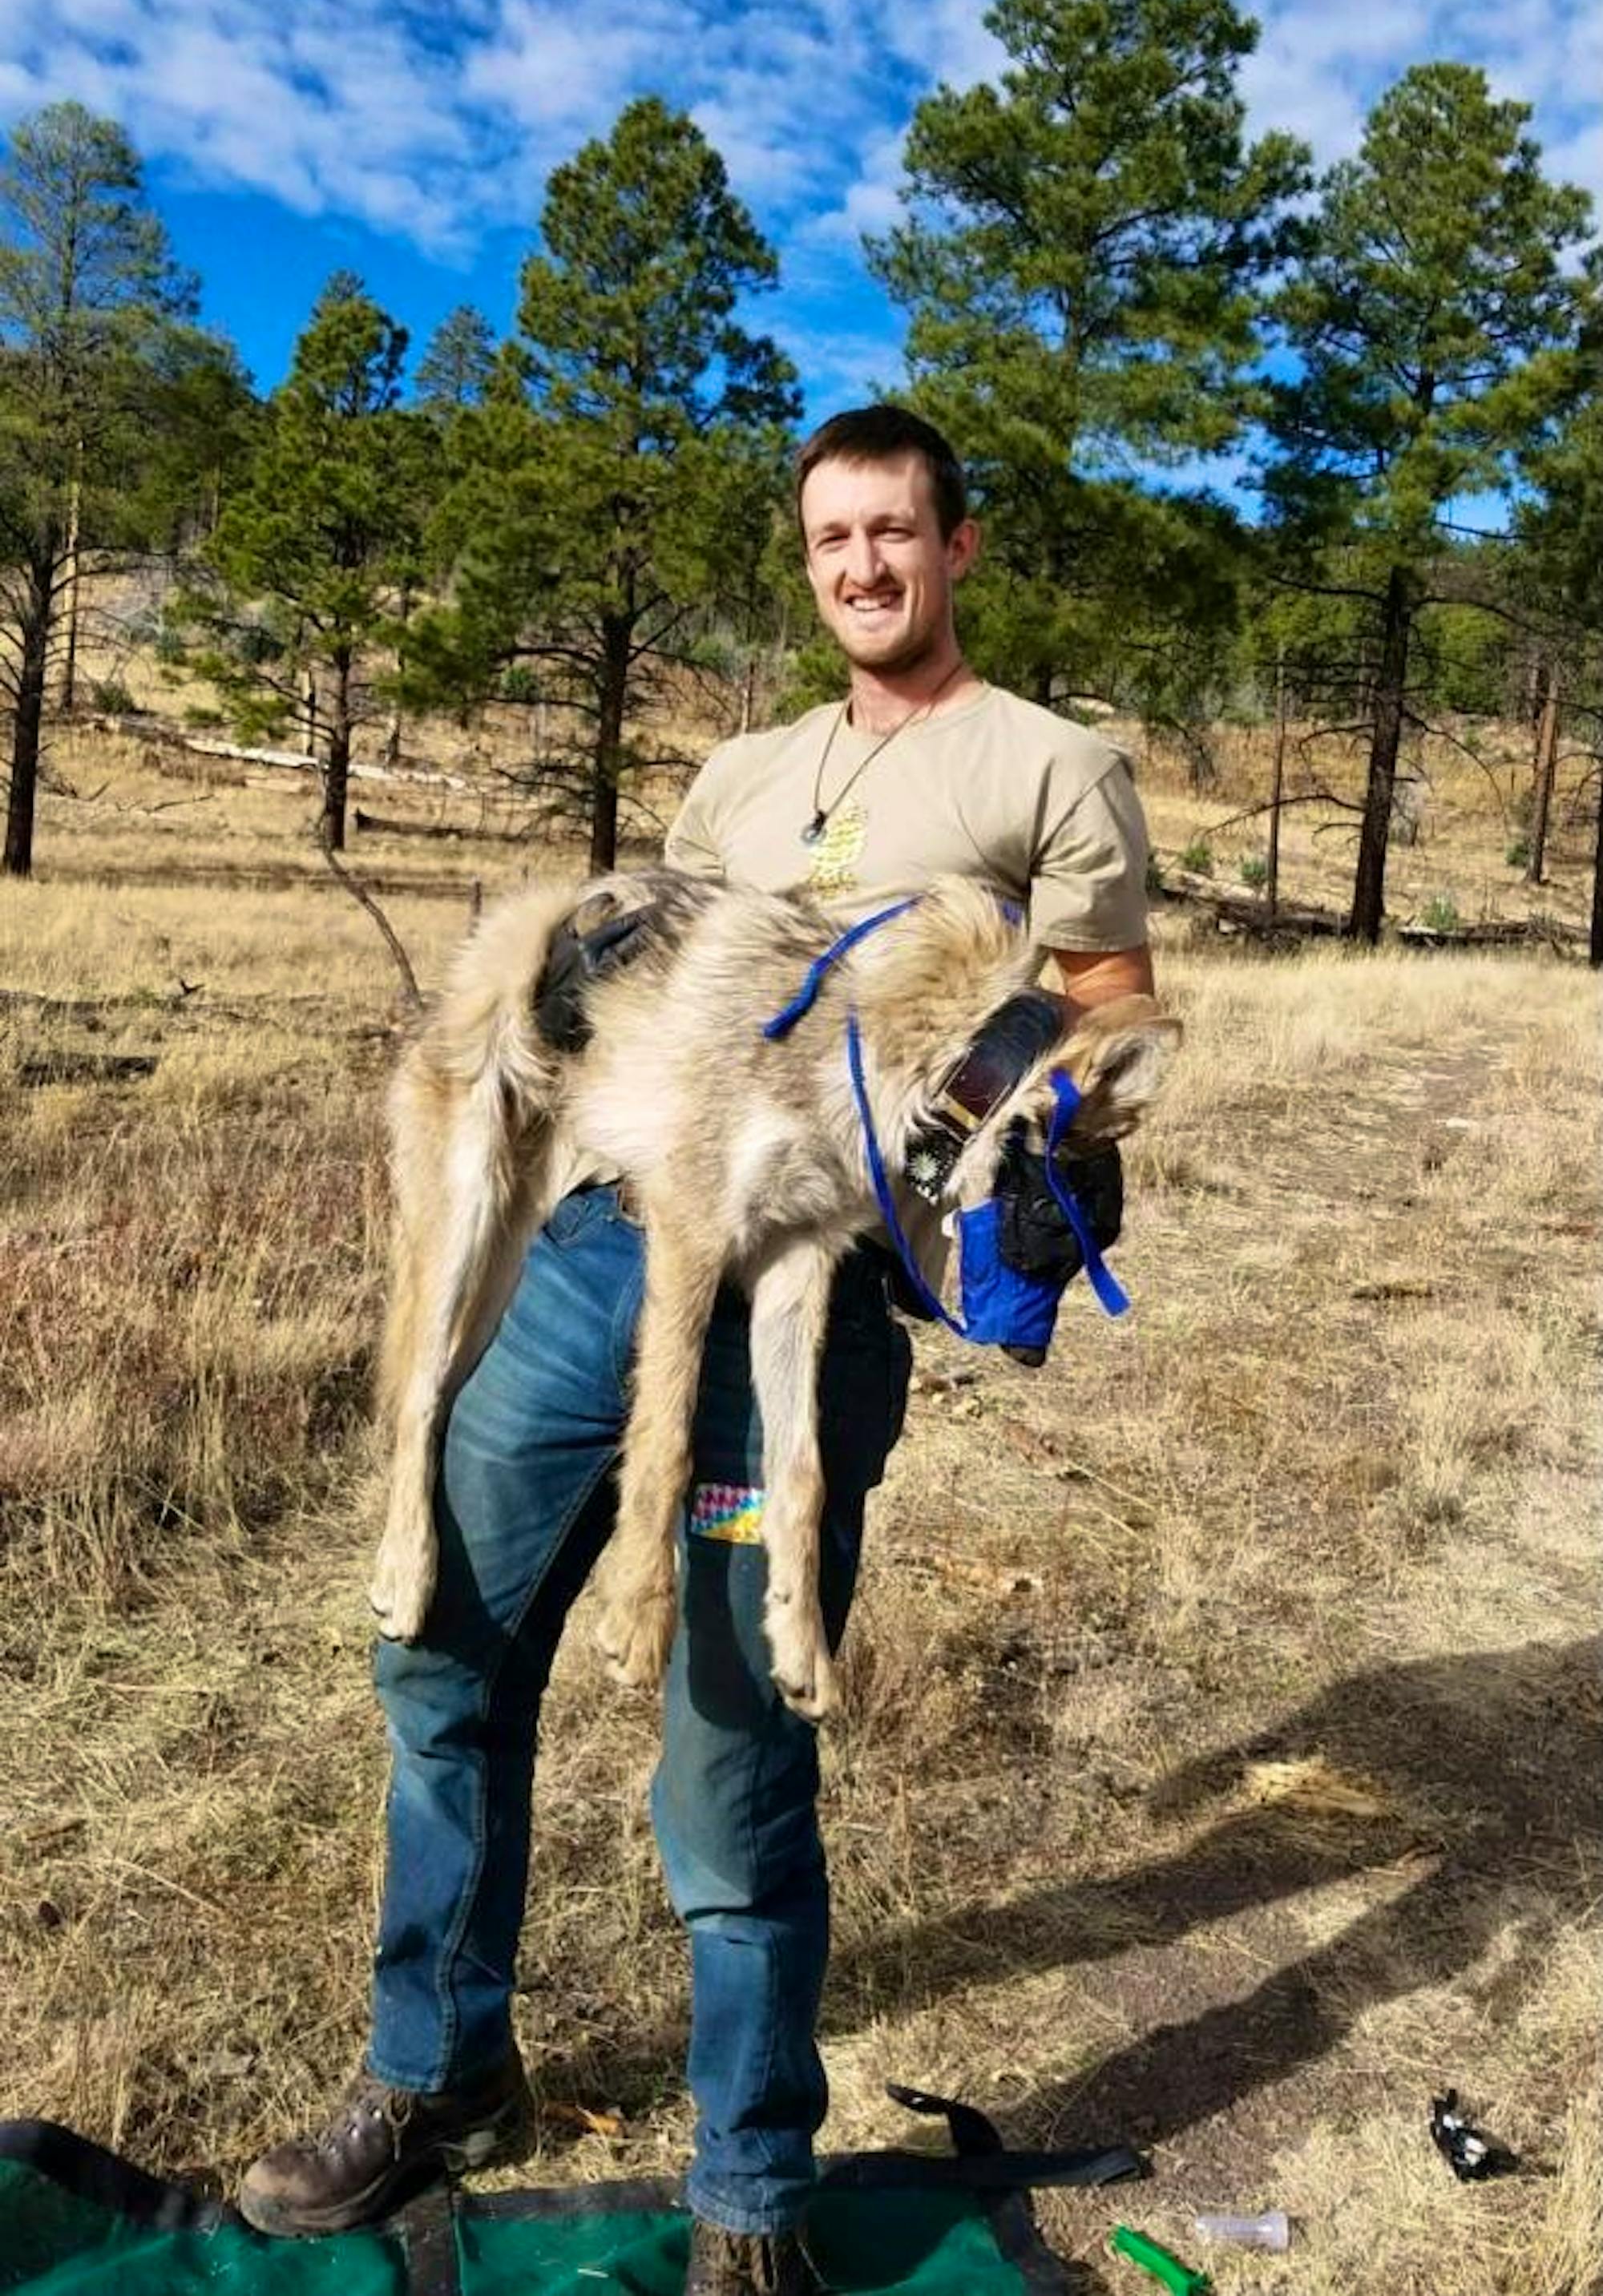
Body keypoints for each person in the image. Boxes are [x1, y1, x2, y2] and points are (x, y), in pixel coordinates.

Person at [239, 404, 1154, 2293]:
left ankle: (749, 2191)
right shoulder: (743, 770)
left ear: (956, 545)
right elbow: (645, 974)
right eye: (832, 540)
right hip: (599, 1256)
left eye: (894, 533)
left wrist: (1044, 1126)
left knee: (732, 1760)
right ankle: (436, 2070)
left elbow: (1110, 1008)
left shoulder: (1049, 765)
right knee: (444, 1654)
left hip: (805, 1308)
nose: (862, 568)